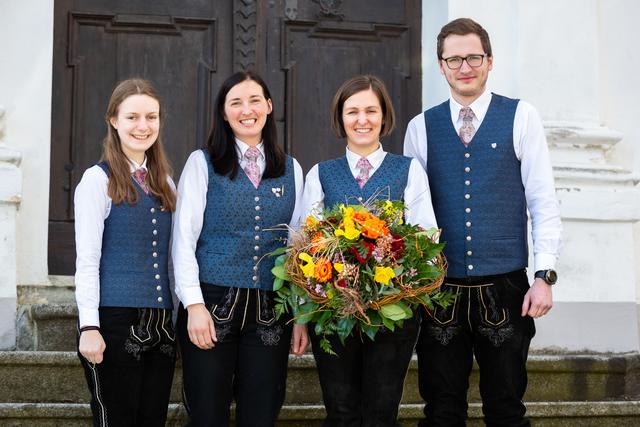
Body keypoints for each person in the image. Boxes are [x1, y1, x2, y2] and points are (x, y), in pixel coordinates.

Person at [403, 18, 563, 427]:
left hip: (505, 286)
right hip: (441, 289)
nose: (464, 67)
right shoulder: (421, 127)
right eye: (453, 59)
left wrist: (544, 275)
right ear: (441, 66)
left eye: (473, 57)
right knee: (441, 410)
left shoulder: (521, 116)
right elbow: (412, 213)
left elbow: (542, 200)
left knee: (506, 406)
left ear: (489, 61)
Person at [172, 71, 309, 427]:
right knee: (206, 413)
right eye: (235, 102)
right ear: (223, 112)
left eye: (253, 100)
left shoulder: (291, 168)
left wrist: (300, 316)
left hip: (271, 308)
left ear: (268, 106)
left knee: (261, 413)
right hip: (213, 303)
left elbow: (297, 249)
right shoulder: (201, 163)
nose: (246, 110)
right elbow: (183, 240)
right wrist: (194, 306)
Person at [302, 75, 438, 427]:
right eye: (352, 111)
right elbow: (303, 245)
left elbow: (426, 240)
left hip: (393, 309)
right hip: (332, 312)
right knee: (341, 411)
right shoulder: (321, 174)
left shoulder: (408, 171)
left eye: (370, 110)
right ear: (340, 118)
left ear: (384, 116)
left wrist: (401, 285)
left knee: (381, 412)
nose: (362, 119)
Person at [74, 78, 178, 426]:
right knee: (117, 419)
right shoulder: (96, 180)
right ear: (114, 121)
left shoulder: (166, 182)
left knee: (152, 419)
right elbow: (87, 258)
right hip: (114, 319)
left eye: (151, 117)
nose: (143, 126)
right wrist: (89, 325)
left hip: (160, 320)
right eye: (132, 117)